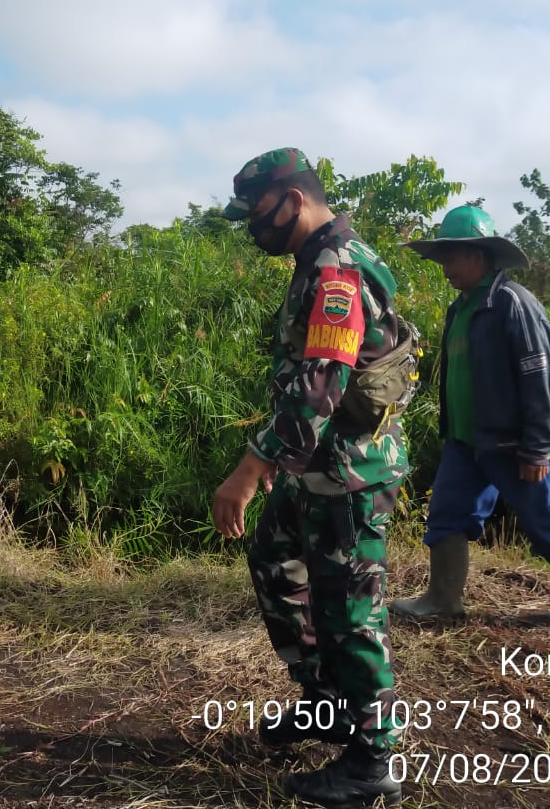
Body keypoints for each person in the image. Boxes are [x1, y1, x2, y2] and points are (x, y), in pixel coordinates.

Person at [213, 148, 409, 808]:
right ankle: (326, 703)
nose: (251, 228)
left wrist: (247, 470)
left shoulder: (337, 271)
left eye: (256, 213)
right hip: (316, 468)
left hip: (350, 474)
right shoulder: (313, 263)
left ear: (292, 201)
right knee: (275, 559)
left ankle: (371, 759)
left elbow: (319, 388)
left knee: (349, 610)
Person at [393, 204, 550, 632]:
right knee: (447, 514)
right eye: (443, 255)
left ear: (478, 255)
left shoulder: (511, 304)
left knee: (546, 522)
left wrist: (538, 446)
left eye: (452, 255)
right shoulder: (461, 308)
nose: (445, 265)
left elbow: (538, 378)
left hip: (509, 443)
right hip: (466, 443)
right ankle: (443, 598)